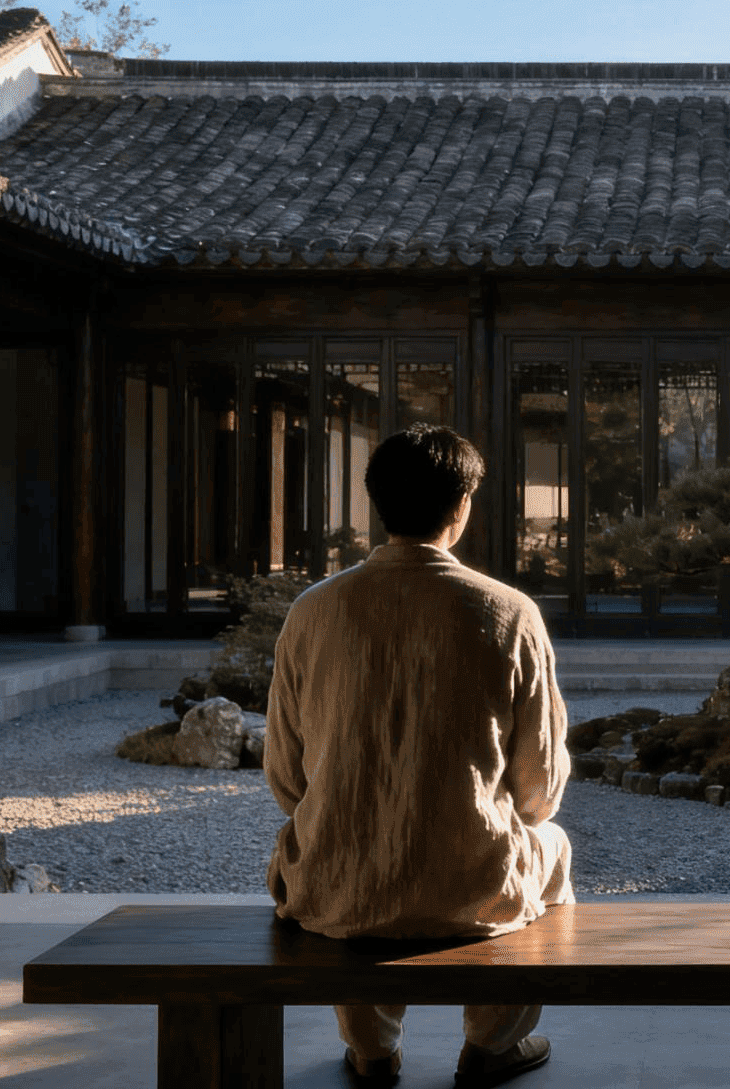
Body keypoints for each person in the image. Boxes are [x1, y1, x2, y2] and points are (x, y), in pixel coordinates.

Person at [262, 424, 573, 1089]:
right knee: (554, 843)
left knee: (341, 830)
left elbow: (288, 777)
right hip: (471, 889)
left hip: (337, 888)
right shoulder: (508, 613)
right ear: (461, 507)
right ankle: (494, 1041)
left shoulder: (312, 612)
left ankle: (373, 1049)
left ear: (378, 503)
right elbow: (539, 787)